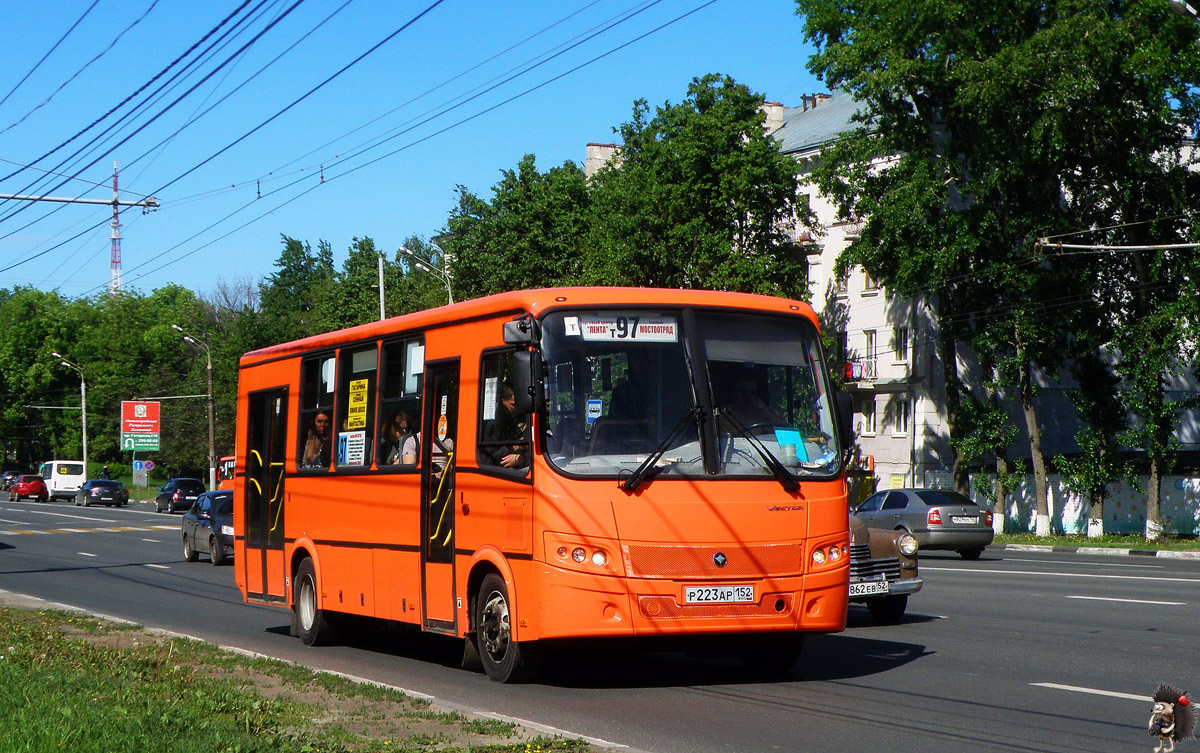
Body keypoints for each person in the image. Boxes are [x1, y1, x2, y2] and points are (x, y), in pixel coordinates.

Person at [479, 384, 529, 470]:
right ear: (503, 402)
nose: (516, 409)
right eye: (513, 405)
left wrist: (522, 456)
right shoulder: (491, 425)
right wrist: (513, 447)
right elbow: (487, 461)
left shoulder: (514, 420)